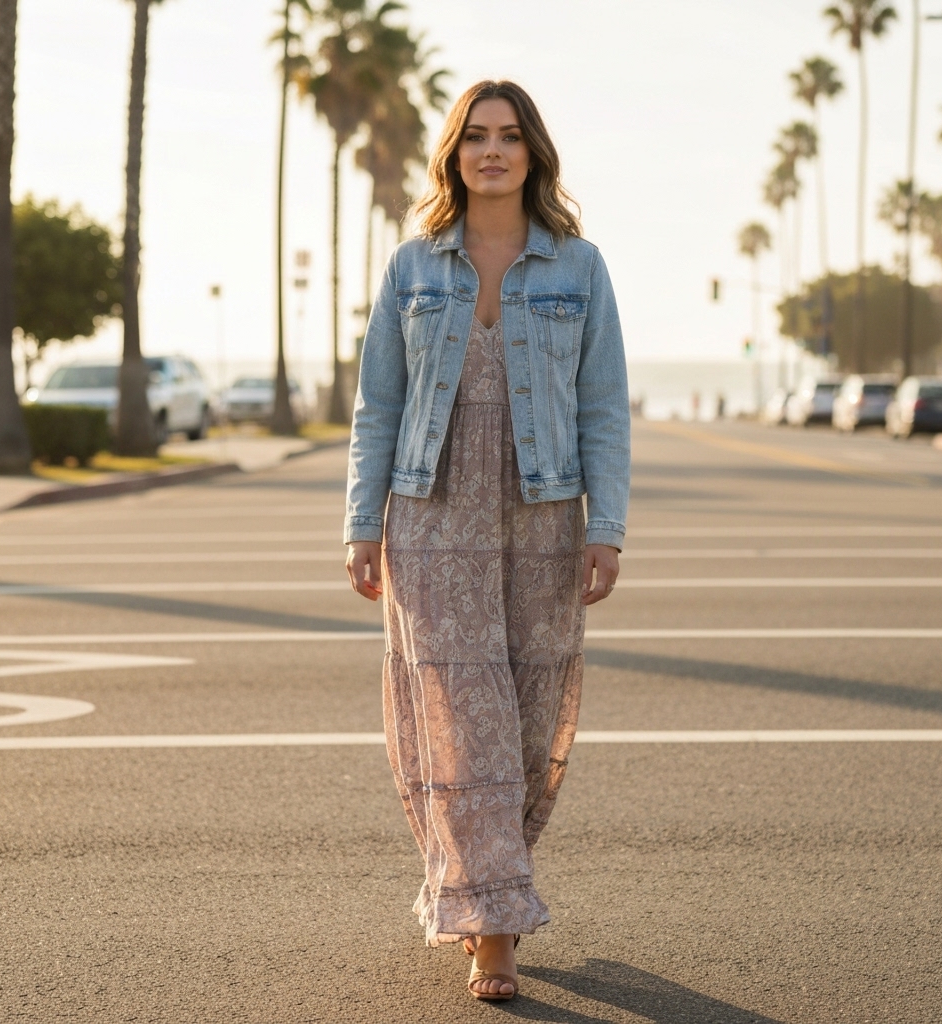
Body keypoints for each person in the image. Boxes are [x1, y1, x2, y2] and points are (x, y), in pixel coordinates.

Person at [344, 79, 630, 1002]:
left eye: (509, 137)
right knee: (462, 719)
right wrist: (361, 524)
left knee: (531, 713)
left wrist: (607, 527)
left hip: (542, 510)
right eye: (476, 137)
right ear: (454, 154)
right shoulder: (413, 268)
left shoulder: (579, 268)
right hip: (430, 512)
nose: (492, 151)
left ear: (534, 153)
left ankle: (483, 877)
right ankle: (492, 924)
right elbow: (377, 406)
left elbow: (602, 408)